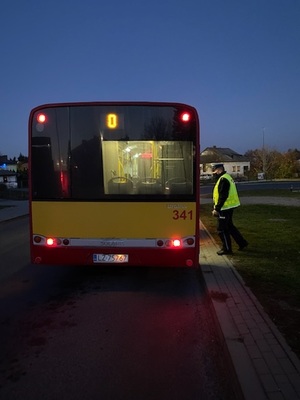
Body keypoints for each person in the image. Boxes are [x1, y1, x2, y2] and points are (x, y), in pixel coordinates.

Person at [211, 163, 248, 255]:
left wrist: (217, 209)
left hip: (224, 208)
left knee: (221, 229)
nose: (213, 173)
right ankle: (242, 243)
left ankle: (227, 249)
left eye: (214, 170)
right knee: (230, 226)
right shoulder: (226, 177)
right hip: (229, 207)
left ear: (219, 170)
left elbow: (223, 196)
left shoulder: (223, 179)